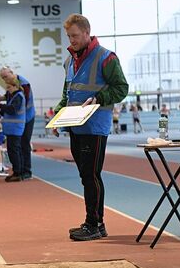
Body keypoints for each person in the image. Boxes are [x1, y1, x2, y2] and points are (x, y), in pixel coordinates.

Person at [54, 13, 129, 242]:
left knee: (91, 175)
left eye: (75, 36)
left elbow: (122, 88)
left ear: (87, 33)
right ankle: (95, 223)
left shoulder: (106, 57)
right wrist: (58, 115)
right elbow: (68, 93)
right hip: (76, 126)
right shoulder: (69, 60)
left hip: (95, 126)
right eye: (68, 36)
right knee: (85, 176)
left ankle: (94, 224)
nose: (71, 40)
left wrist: (98, 98)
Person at [0, 66, 35, 179]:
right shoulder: (13, 86)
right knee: (17, 146)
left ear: (12, 73)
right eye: (2, 78)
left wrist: (2, 105)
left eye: (6, 76)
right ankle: (20, 170)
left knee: (24, 144)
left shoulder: (24, 84)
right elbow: (9, 96)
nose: (5, 79)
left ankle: (26, 171)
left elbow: (20, 102)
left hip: (26, 117)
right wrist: (0, 98)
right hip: (19, 117)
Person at [0, 81, 25, 182]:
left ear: (15, 86)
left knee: (14, 151)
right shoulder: (13, 96)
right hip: (12, 128)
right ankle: (17, 172)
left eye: (9, 87)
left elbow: (12, 109)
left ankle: (18, 173)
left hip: (15, 127)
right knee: (14, 151)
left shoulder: (18, 96)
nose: (7, 89)